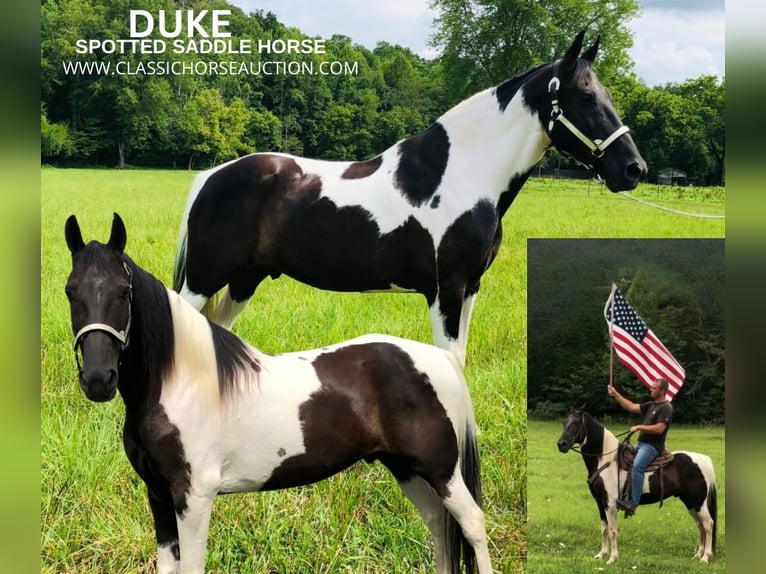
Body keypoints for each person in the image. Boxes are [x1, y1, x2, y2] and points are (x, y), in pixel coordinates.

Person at [607, 378, 673, 516]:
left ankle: (632, 503)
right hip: (641, 444)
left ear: (662, 391)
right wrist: (615, 394)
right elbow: (631, 406)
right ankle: (620, 493)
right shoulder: (652, 405)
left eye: (654, 388)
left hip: (652, 447)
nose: (651, 389)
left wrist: (639, 427)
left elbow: (659, 429)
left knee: (637, 466)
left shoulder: (666, 407)